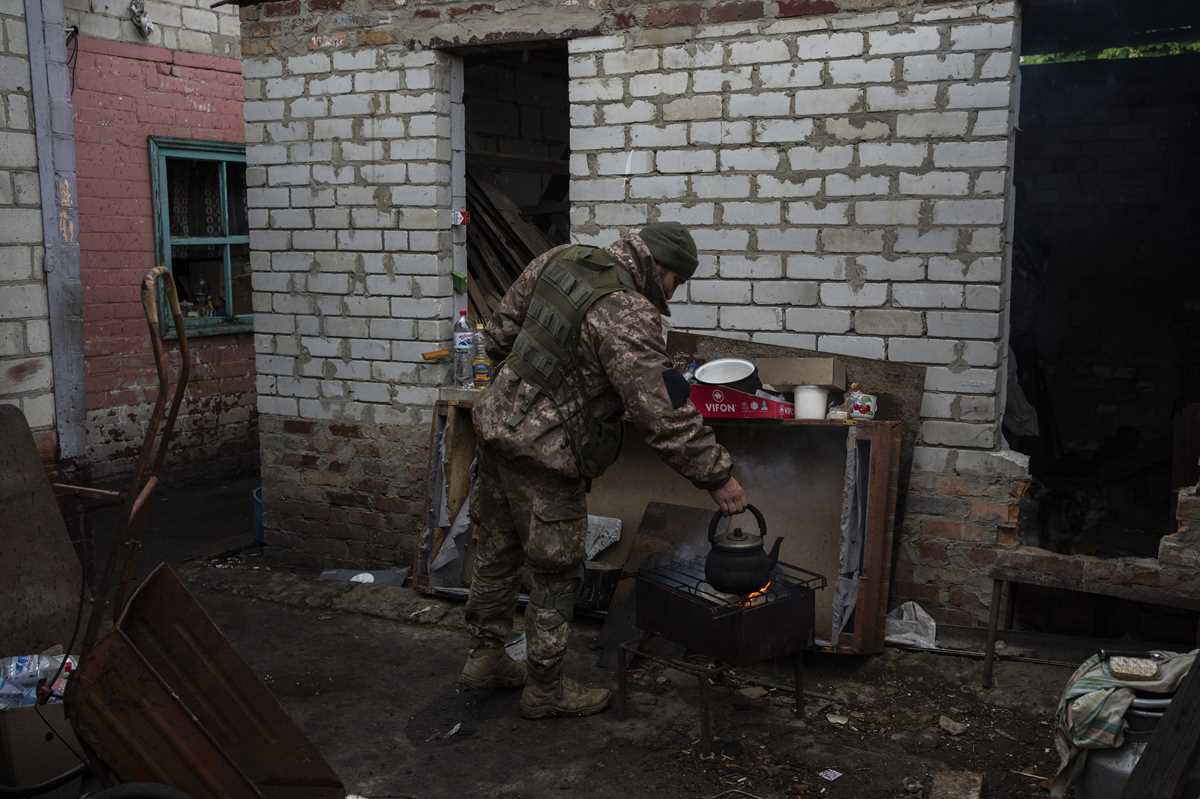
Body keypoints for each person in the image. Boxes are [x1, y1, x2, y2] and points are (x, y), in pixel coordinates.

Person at [460, 222, 748, 719]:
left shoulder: (560, 259)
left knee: (497, 551)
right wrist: (717, 475)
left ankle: (485, 657)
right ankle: (545, 689)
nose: (672, 294)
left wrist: (532, 393)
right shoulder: (628, 311)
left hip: (496, 430)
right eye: (676, 282)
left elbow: (501, 334)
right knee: (555, 572)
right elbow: (660, 412)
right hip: (547, 456)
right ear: (659, 268)